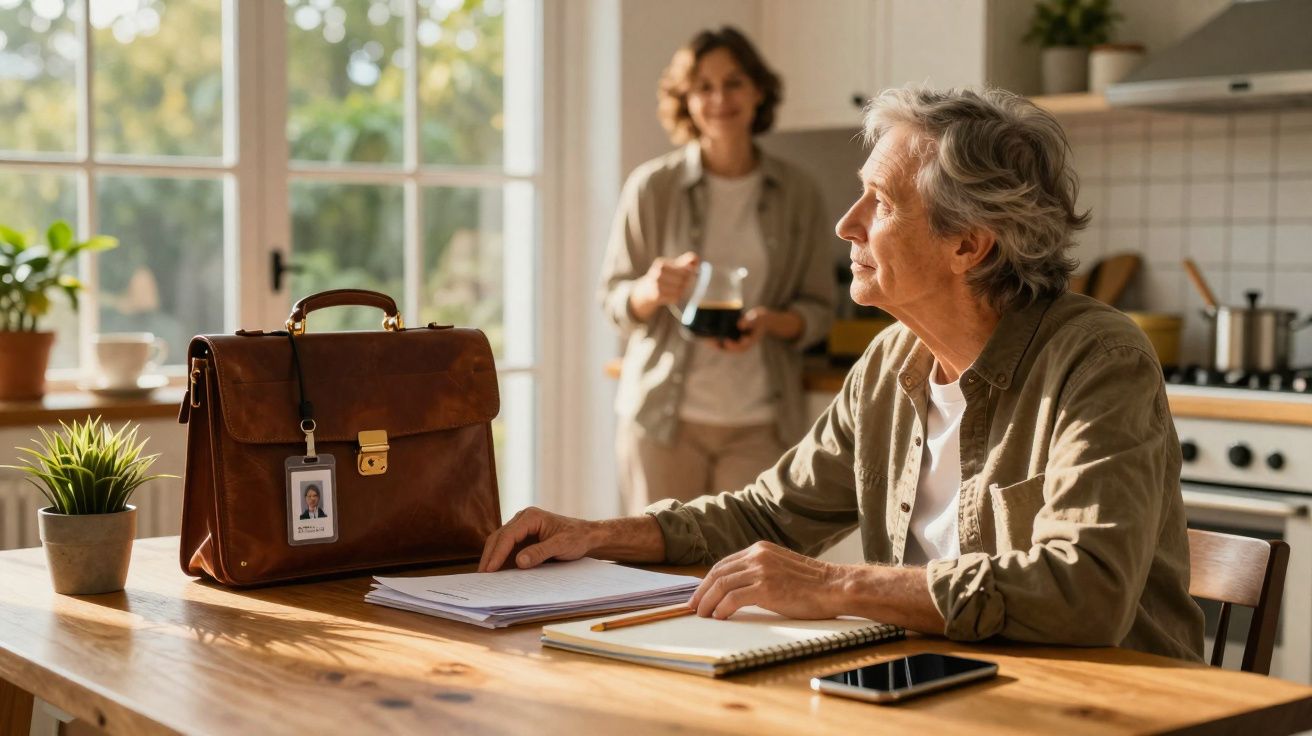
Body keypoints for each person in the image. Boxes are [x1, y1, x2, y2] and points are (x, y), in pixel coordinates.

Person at [483, 86, 1206, 661]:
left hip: (1107, 709)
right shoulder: (892, 361)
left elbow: (1084, 591)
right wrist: (594, 534)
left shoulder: (1097, 359)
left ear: (968, 245)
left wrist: (834, 584)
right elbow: (765, 516)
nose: (847, 223)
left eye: (882, 203)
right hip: (942, 690)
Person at [599, 26, 835, 514]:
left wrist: (771, 322)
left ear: (758, 91)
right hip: (663, 425)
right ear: (685, 101)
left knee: (748, 561)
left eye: (733, 83)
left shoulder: (799, 193)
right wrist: (650, 290)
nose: (719, 99)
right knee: (660, 561)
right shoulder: (652, 187)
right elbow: (614, 301)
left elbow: (819, 311)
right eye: (703, 87)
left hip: (761, 424)